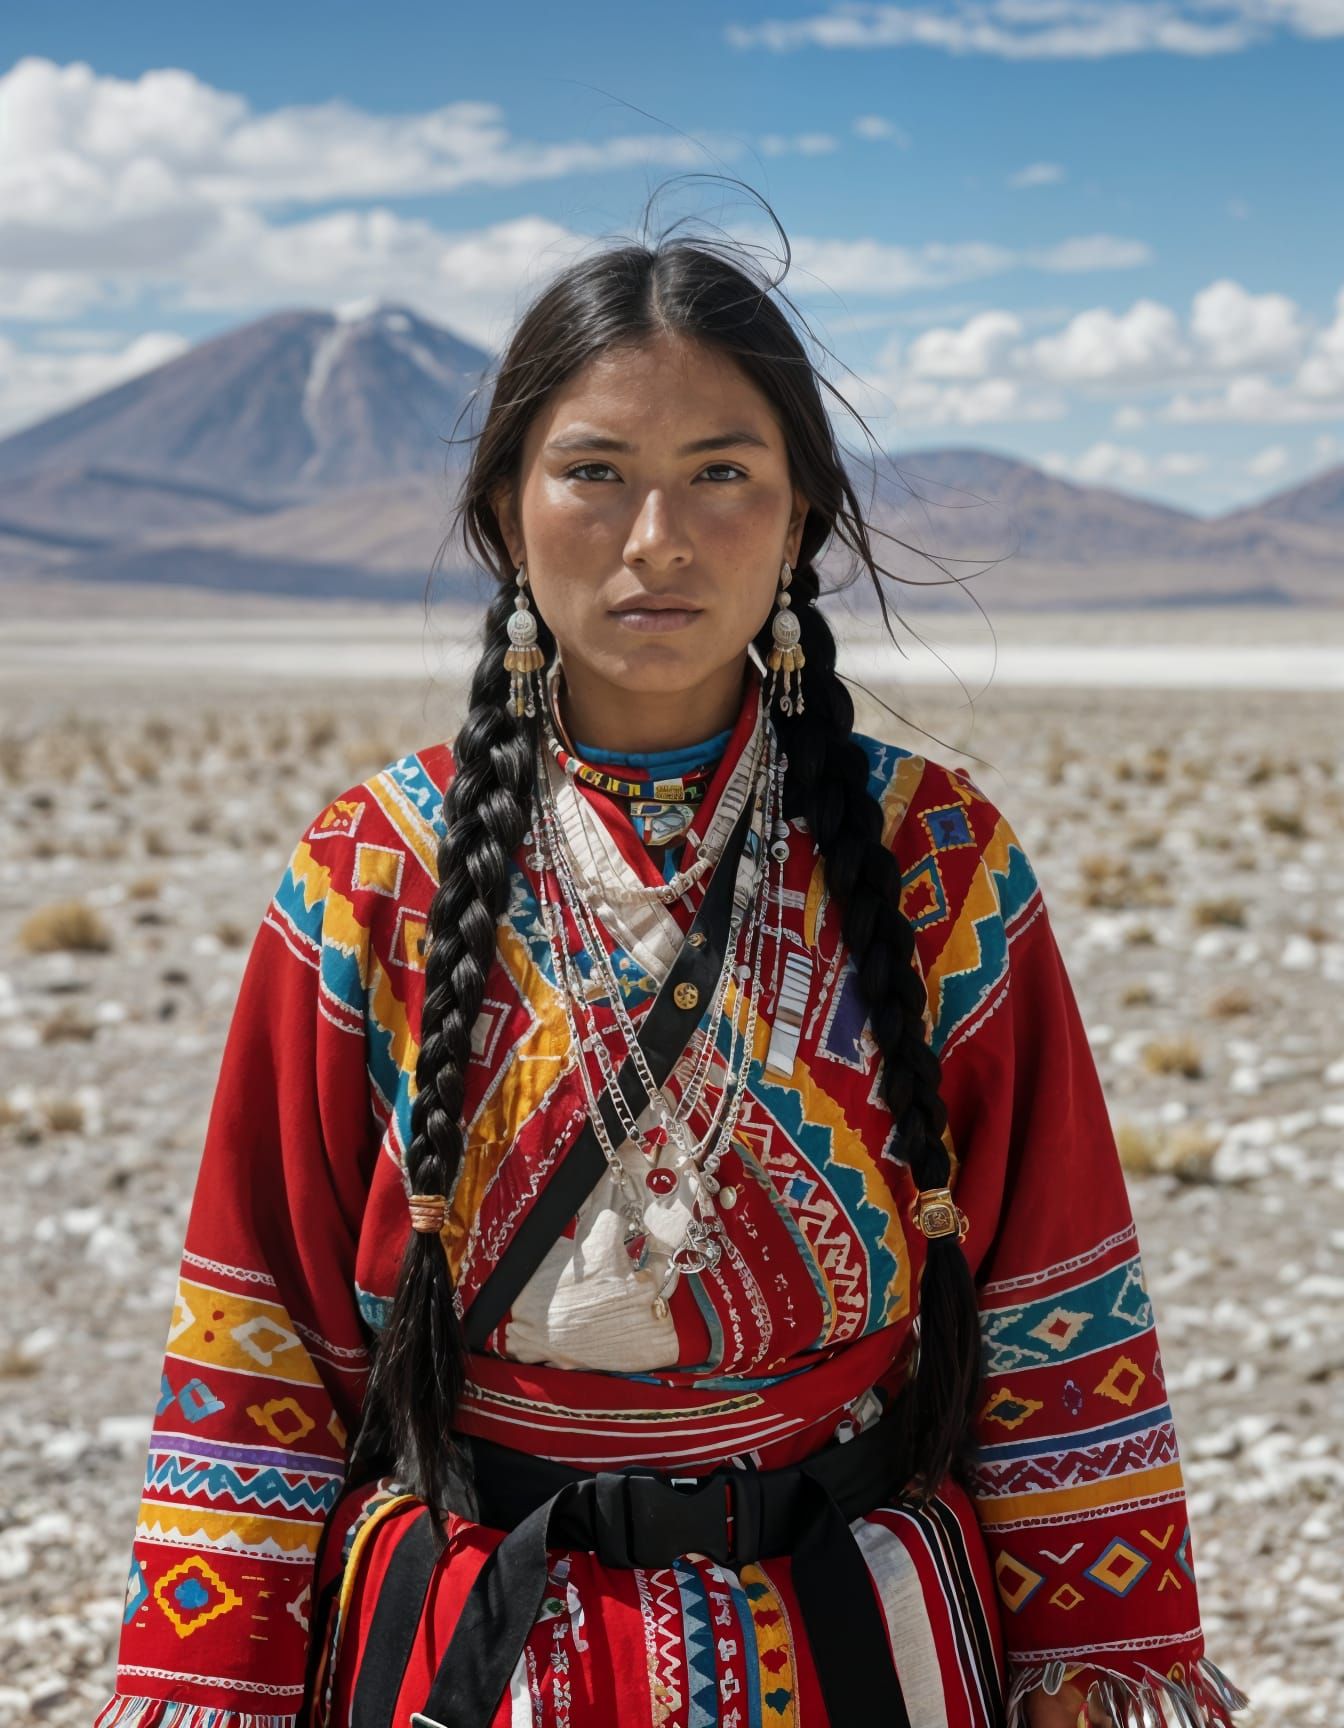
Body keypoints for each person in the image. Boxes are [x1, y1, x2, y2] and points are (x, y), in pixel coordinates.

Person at [96, 194, 1249, 1728]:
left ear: (799, 516)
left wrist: (1090, 1662)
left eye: (723, 474)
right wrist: (210, 1687)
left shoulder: (935, 858)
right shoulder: (375, 869)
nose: (658, 540)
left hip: (864, 1654)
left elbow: (1057, 1289)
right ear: (505, 509)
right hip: (476, 1658)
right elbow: (259, 1322)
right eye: (594, 474)